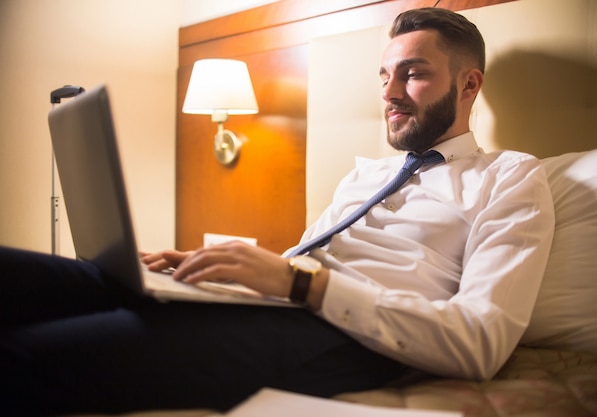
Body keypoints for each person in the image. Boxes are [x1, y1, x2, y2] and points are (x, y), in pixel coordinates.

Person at [0, 7, 555, 416]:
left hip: (352, 338)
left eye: (413, 73)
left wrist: (298, 285)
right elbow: (299, 261)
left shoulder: (510, 176)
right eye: (385, 75)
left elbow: (480, 341)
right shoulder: (364, 174)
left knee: (28, 357)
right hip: (276, 303)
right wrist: (210, 271)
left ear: (469, 84)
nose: (390, 92)